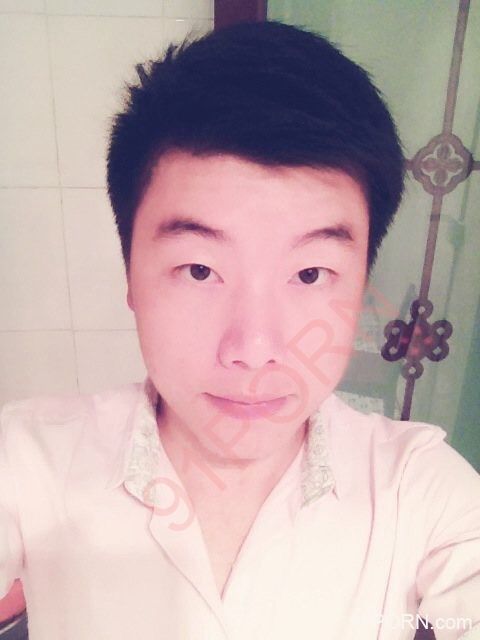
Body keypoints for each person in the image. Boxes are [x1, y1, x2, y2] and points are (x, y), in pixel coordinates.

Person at [0, 20, 479, 640]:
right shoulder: (26, 462)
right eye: (200, 270)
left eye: (310, 273)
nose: (254, 350)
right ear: (131, 276)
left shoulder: (420, 488)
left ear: (361, 285)